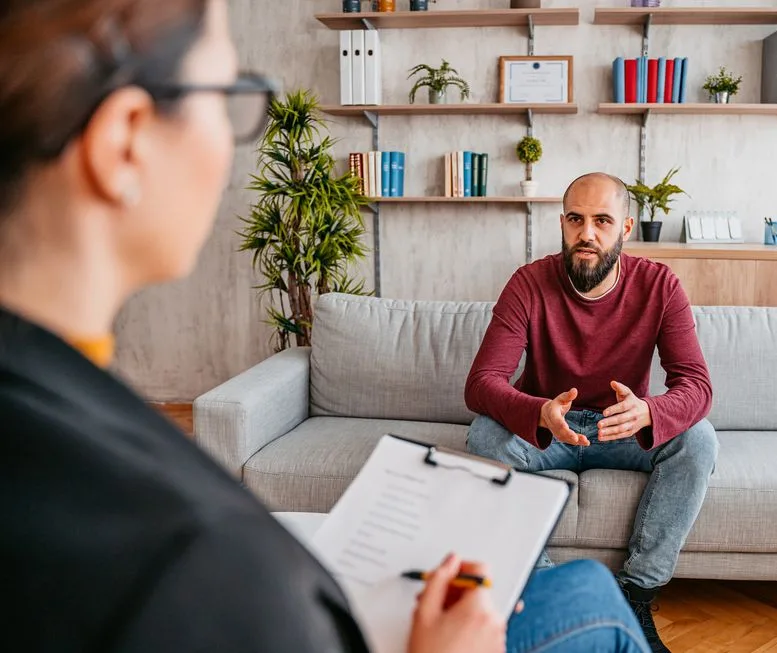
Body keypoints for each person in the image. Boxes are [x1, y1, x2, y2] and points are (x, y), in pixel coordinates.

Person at [0, 2, 652, 652]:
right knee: (591, 595)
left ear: (623, 227)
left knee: (597, 577)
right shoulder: (192, 552)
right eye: (227, 95)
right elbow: (482, 384)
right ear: (126, 139)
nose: (233, 142)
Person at [465, 172, 719, 653]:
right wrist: (539, 412)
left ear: (625, 228)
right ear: (562, 224)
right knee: (484, 437)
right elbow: (481, 385)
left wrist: (649, 412)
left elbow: (698, 386)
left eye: (602, 220)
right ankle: (545, 589)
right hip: (548, 430)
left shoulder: (660, 286)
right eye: (576, 220)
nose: (588, 233)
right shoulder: (528, 283)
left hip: (621, 430)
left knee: (699, 440)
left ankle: (636, 593)